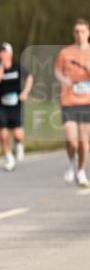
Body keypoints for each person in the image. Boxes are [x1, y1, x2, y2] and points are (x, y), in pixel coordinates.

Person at [55, 19, 90, 187]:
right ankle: (71, 162)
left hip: (87, 102)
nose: (79, 34)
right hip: (69, 101)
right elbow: (57, 71)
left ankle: (81, 171)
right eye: (77, 31)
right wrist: (63, 79)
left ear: (88, 33)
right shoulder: (65, 52)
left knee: (83, 141)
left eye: (82, 31)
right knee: (71, 139)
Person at [0, 43, 32, 172]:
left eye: (4, 52)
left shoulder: (17, 67)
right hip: (3, 106)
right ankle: (9, 158)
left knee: (18, 135)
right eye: (0, 52)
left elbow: (29, 78)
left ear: (10, 54)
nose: (1, 54)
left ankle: (19, 144)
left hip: (16, 105)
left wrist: (25, 92)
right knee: (3, 135)